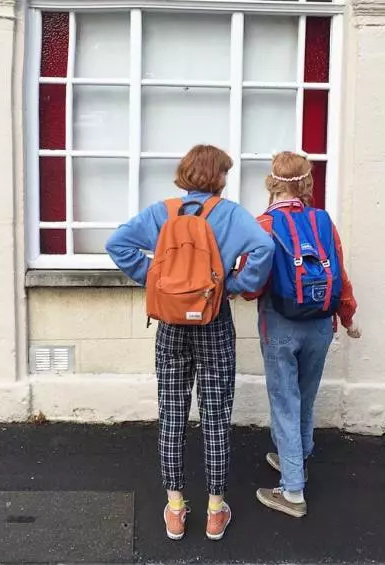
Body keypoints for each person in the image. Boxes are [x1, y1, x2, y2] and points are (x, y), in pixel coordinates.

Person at [106, 145, 274, 541]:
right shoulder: (231, 214)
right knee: (216, 416)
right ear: (219, 178)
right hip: (214, 319)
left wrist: (156, 280)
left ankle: (176, 509)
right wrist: (233, 285)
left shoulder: (162, 212)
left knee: (172, 414)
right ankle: (215, 510)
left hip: (170, 323)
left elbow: (117, 244)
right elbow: (264, 248)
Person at [242, 151, 360, 518]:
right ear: (307, 183)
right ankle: (296, 459)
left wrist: (233, 285)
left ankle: (293, 491)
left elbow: (251, 288)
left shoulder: (263, 225)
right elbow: (339, 274)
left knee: (284, 402)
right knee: (304, 398)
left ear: (272, 183)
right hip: (321, 325)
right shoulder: (323, 221)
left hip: (280, 325)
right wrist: (348, 317)